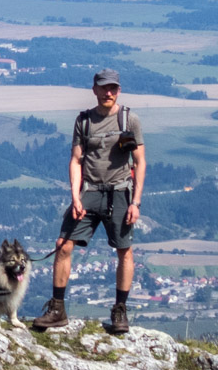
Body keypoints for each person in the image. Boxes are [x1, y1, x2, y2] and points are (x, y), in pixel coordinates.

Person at [31, 68, 145, 336]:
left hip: (120, 192)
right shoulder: (83, 121)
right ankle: (57, 309)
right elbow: (76, 160)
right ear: (94, 89)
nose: (109, 93)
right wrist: (75, 197)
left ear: (118, 90)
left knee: (124, 251)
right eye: (104, 88)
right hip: (89, 191)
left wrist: (135, 202)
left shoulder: (129, 120)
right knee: (63, 245)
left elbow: (139, 163)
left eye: (113, 88)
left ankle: (120, 311)